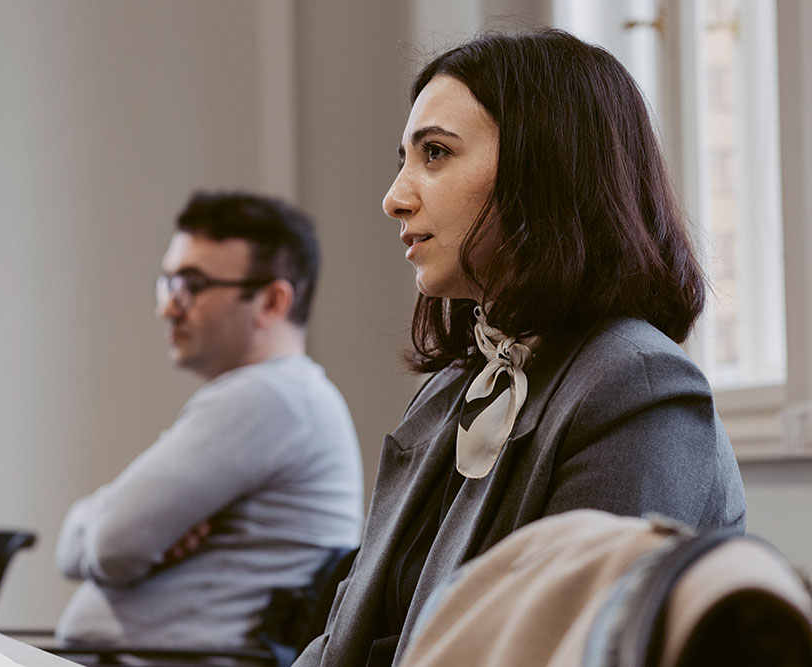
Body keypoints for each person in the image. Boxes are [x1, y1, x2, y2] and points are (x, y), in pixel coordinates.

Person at [293, 29, 746, 667]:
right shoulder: (450, 390)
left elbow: (578, 650)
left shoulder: (635, 385)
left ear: (548, 168)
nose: (395, 197)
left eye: (436, 153)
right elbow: (346, 638)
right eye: (404, 158)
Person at [54, 191, 364, 649]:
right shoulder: (286, 399)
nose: (168, 307)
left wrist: (107, 528)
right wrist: (117, 531)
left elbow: (110, 547)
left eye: (192, 285)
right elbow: (104, 543)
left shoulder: (267, 397)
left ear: (272, 301)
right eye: (168, 283)